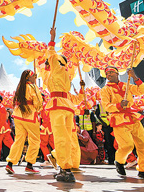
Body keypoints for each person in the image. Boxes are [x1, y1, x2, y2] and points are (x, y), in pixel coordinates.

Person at [43, 27, 85, 182]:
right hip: (66, 108)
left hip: (58, 108)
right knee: (67, 139)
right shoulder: (64, 74)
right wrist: (82, 90)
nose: (48, 64)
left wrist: (52, 40)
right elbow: (77, 99)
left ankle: (65, 170)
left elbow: (51, 55)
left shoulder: (58, 68)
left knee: (61, 138)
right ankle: (65, 166)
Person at [100, 66, 144, 178]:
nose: (109, 75)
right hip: (118, 119)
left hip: (133, 117)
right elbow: (106, 106)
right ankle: (119, 161)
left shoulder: (127, 85)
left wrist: (134, 77)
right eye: (107, 74)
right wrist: (119, 105)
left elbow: (143, 90)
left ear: (117, 74)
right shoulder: (105, 90)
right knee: (127, 145)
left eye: (111, 72)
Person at [5, 70, 43, 174]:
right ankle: (29, 165)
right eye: (34, 76)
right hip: (30, 116)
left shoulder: (19, 88)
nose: (35, 78)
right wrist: (38, 110)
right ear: (29, 77)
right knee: (35, 140)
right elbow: (38, 103)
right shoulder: (33, 87)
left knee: (18, 140)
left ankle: (10, 163)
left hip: (18, 116)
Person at [0, 95, 13, 166]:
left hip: (2, 128)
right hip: (3, 128)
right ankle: (18, 154)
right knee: (8, 143)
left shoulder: (1, 107)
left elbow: (3, 119)